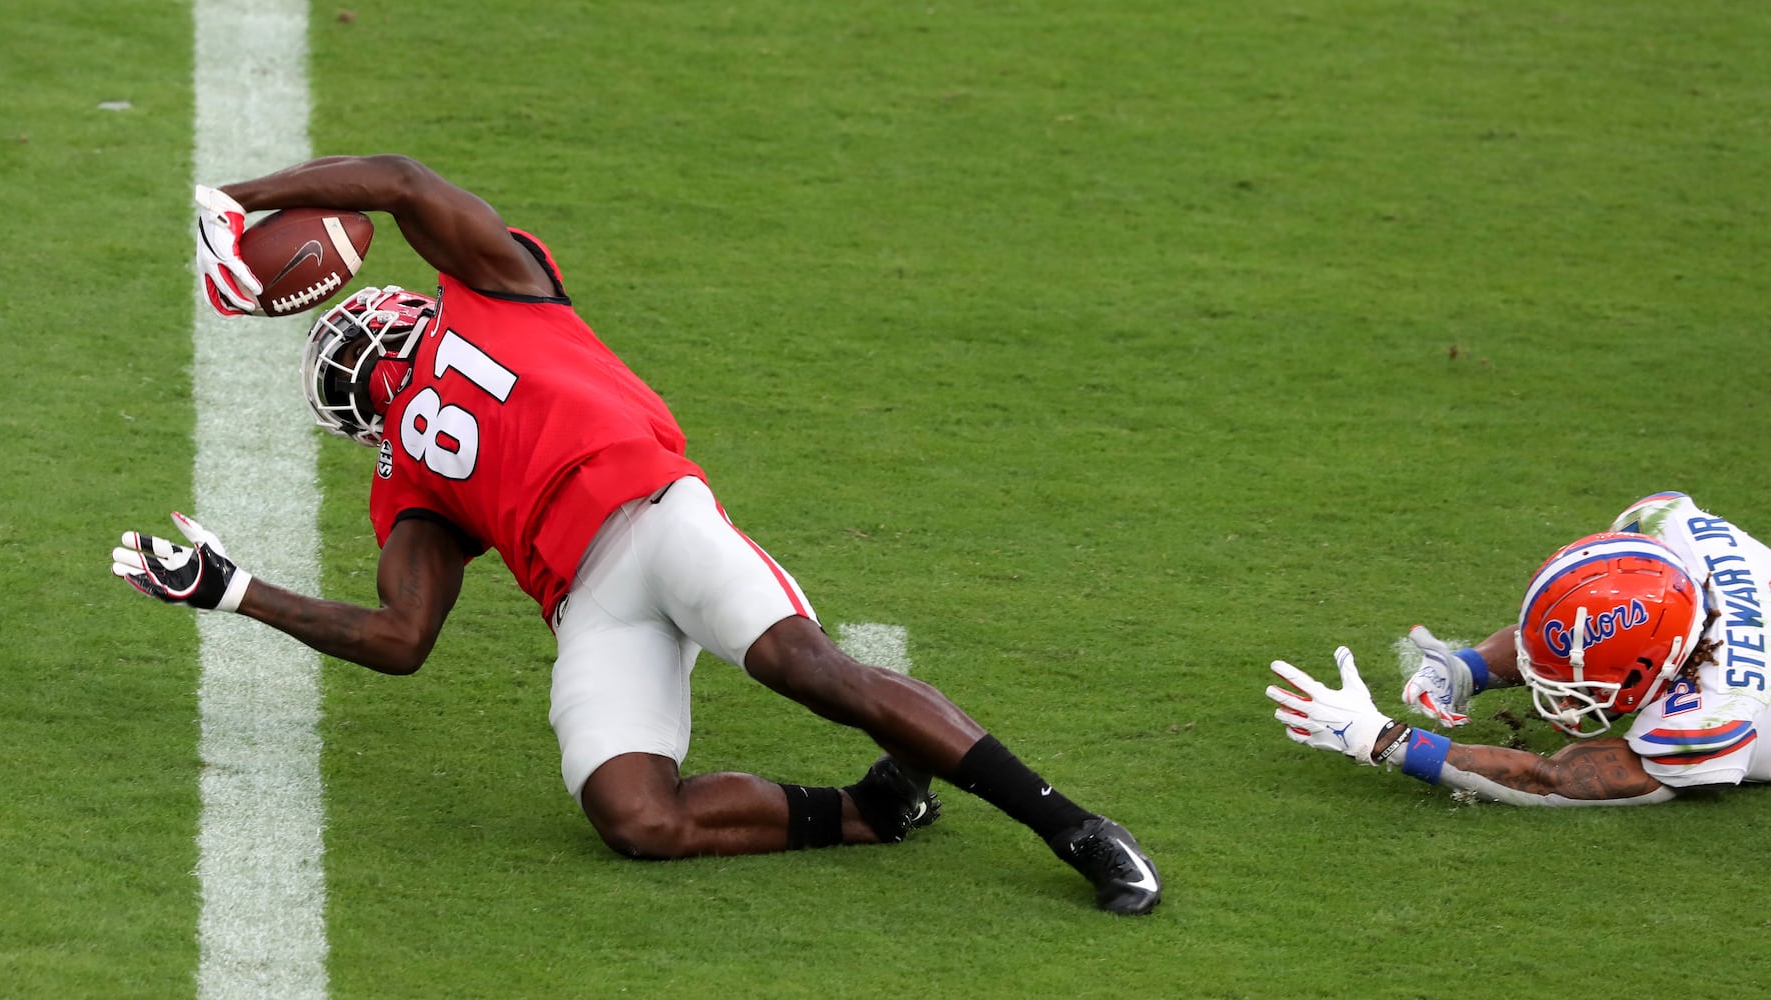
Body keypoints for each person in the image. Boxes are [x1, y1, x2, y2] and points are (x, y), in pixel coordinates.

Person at [113, 154, 1160, 914]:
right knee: (633, 817)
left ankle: (1075, 826)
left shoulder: (498, 291)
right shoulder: (408, 472)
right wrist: (230, 588)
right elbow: (402, 638)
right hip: (590, 602)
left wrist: (238, 198)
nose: (360, 352)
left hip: (657, 514)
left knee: (809, 668)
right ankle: (872, 810)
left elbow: (397, 178)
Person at [1266, 490, 1771, 805]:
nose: (1560, 690)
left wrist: (1386, 740)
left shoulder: (1713, 717)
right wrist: (1470, 668)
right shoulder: (1668, 537)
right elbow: (1577, 624)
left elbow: (1553, 780)